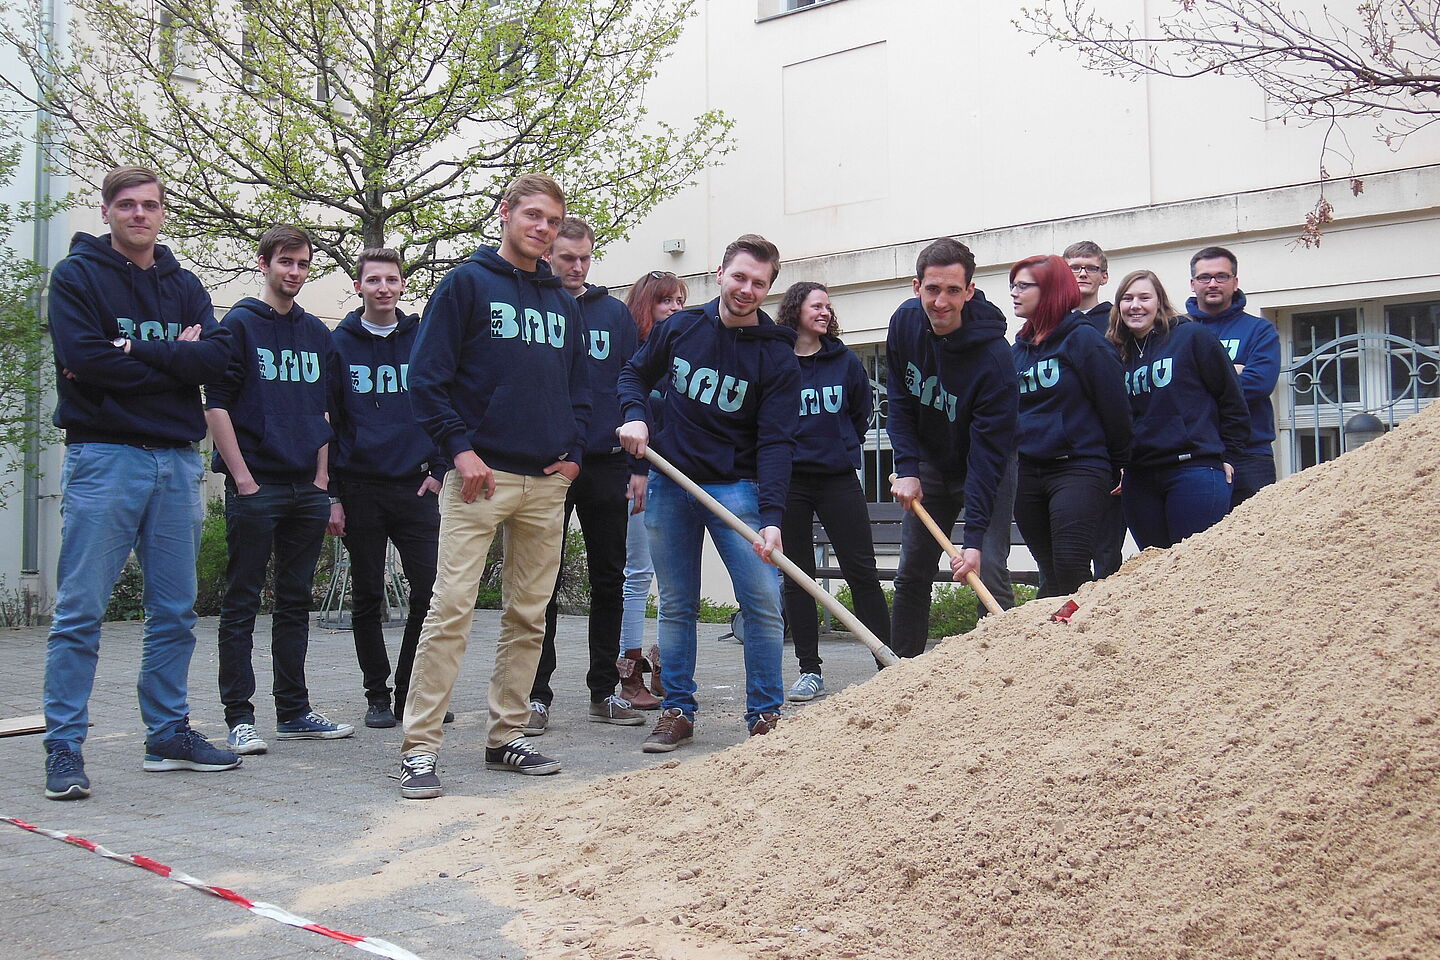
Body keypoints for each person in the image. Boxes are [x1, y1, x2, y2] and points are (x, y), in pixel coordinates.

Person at [41, 165, 241, 800]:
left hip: (177, 461)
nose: (139, 215)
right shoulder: (77, 278)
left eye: (150, 205)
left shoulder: (184, 284)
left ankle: (168, 733)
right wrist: (172, 361)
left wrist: (134, 353)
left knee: (175, 611)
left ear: (162, 212)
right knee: (79, 612)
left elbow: (216, 359)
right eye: (126, 205)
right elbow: (83, 361)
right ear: (106, 213)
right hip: (105, 458)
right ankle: (65, 746)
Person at [397, 174, 591, 799]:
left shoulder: (562, 302)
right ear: (504, 214)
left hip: (545, 482)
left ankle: (507, 735)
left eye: (553, 222)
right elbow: (425, 378)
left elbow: (582, 389)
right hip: (478, 478)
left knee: (529, 615)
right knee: (450, 609)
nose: (542, 228)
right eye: (531, 216)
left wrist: (576, 454)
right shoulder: (466, 284)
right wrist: (459, 449)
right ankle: (421, 750)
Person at [617, 234, 800, 751]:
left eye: (758, 283)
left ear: (769, 289)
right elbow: (633, 373)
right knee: (676, 605)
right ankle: (677, 710)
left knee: (763, 602)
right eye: (739, 277)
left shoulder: (777, 358)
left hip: (737, 489)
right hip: (671, 481)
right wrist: (635, 416)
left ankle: (765, 716)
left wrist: (772, 517)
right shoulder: (680, 329)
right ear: (720, 272)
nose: (746, 289)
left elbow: (777, 443)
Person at [207, 225, 352, 754]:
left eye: (302, 264)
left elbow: (324, 410)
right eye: (285, 262)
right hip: (257, 487)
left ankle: (293, 711)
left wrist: (320, 481)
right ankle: (239, 718)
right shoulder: (239, 325)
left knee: (295, 603)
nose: (294, 272)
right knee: (242, 601)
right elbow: (216, 403)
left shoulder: (317, 333)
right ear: (264, 262)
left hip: (305, 491)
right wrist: (243, 478)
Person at [524, 217, 646, 734]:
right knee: (539, 584)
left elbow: (632, 386)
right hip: (545, 464)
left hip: (604, 464)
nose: (575, 268)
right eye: (565, 258)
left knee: (608, 579)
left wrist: (637, 466)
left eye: (584, 259)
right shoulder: (532, 304)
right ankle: (536, 695)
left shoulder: (614, 314)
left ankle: (603, 690)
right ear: (548, 254)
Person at [326, 247, 445, 729]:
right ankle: (377, 695)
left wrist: (438, 469)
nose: (383, 287)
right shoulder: (338, 344)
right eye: (373, 279)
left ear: (401, 285)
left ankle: (411, 691)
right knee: (368, 595)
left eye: (391, 279)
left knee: (431, 593)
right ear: (358, 287)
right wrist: (332, 493)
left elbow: (444, 399)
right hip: (360, 488)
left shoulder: (421, 339)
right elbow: (329, 421)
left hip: (417, 486)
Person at [886, 238, 1018, 659]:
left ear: (970, 291)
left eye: (953, 291)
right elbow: (900, 400)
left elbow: (988, 454)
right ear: (916, 287)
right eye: (932, 289)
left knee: (989, 567)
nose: (941, 302)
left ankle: (1005, 666)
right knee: (911, 572)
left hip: (983, 464)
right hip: (927, 461)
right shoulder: (904, 324)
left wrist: (973, 539)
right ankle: (899, 672)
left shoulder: (995, 358)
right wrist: (907, 467)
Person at [774, 281, 888, 701]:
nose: (824, 312)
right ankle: (809, 670)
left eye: (827, 306)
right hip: (790, 482)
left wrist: (838, 445)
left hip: (838, 477)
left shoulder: (844, 361)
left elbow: (860, 413)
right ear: (795, 311)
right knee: (799, 576)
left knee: (863, 571)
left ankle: (887, 663)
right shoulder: (776, 360)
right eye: (815, 306)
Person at [1009, 255, 1131, 599]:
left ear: (1050, 290)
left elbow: (1115, 406)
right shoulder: (1016, 352)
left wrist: (1121, 464)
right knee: (1048, 571)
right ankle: (1054, 644)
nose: (1015, 294)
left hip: (1079, 467)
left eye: (1023, 286)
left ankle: (1082, 643)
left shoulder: (1084, 341)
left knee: (1071, 564)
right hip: (1028, 472)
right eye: (1013, 286)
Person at [1107, 270, 1250, 549]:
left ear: (1159, 301)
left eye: (1144, 297)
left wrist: (1230, 455)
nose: (1135, 305)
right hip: (1140, 479)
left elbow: (1231, 397)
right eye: (1127, 298)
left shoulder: (1192, 337)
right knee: (1156, 570)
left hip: (1193, 471)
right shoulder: (1116, 353)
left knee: (1193, 568)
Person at [616, 270, 688, 710]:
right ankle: (629, 669)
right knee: (638, 573)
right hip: (639, 476)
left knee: (673, 578)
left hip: (680, 476)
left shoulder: (682, 353)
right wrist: (635, 467)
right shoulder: (634, 355)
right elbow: (628, 412)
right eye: (666, 301)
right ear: (646, 305)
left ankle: (668, 664)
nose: (676, 308)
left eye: (680, 300)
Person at [1184, 246, 1281, 508]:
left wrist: (1196, 384)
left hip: (1250, 455)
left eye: (1222, 276)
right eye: (1205, 277)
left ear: (1235, 282)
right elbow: (1170, 392)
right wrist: (1232, 371)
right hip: (1195, 455)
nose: (1213, 283)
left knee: (1256, 538)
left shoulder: (1259, 330)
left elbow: (1259, 384)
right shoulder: (1178, 332)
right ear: (1193, 284)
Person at [1063, 240, 1127, 579]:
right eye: (1074, 267)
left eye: (1089, 267)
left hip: (1106, 456)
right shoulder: (1049, 326)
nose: (1082, 273)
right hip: (1062, 459)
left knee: (1105, 553)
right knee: (1065, 559)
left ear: (1104, 276)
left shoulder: (1120, 323)